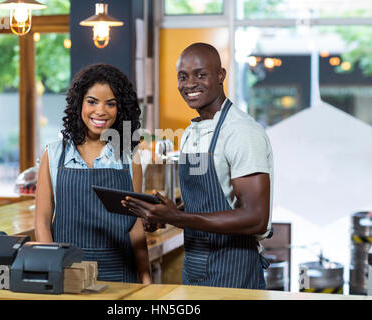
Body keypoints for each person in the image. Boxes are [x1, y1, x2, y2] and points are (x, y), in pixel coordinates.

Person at [123, 43, 274, 289]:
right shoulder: (190, 133)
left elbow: (255, 217)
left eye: (200, 75)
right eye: (183, 77)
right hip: (195, 262)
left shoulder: (241, 132)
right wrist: (165, 214)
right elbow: (203, 200)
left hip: (234, 265)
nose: (190, 84)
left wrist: (179, 217)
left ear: (221, 75)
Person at [35, 63, 151, 284]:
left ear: (120, 109)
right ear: (79, 103)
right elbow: (42, 221)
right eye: (92, 102)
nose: (100, 111)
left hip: (120, 272)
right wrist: (53, 272)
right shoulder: (54, 155)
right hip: (68, 272)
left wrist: (146, 277)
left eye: (111, 104)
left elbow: (134, 224)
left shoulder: (129, 157)